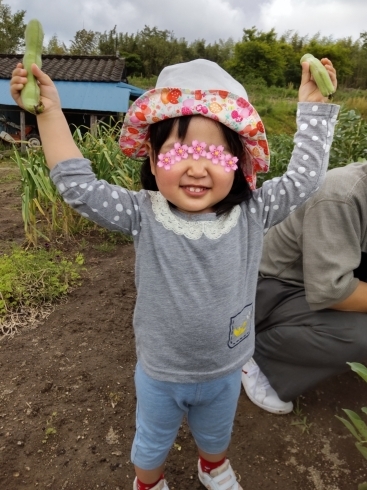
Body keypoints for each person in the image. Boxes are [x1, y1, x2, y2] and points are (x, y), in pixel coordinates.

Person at [11, 57, 338, 490]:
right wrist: (50, 113)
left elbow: (304, 180)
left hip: (228, 366)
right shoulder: (141, 214)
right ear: (151, 154)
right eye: (181, 151)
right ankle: (147, 482)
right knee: (151, 442)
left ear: (240, 162)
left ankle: (213, 467)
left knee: (217, 434)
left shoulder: (251, 213)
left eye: (215, 153)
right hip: (161, 372)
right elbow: (79, 186)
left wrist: (314, 109)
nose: (197, 168)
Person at [242, 162, 367, 416]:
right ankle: (256, 352)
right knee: (361, 336)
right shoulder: (341, 194)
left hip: (321, 279)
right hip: (273, 287)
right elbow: (332, 291)